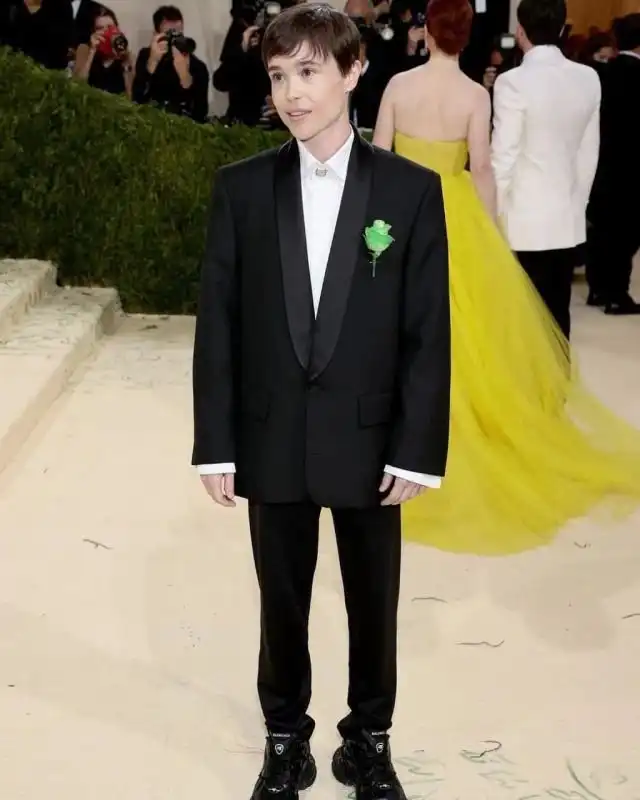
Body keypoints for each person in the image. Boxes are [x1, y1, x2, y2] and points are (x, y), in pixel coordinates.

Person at [191, 4, 451, 799]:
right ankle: (284, 738)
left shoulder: (410, 191)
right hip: (271, 434)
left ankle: (368, 740)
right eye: (278, 76)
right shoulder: (242, 189)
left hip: (371, 439)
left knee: (375, 602)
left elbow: (427, 329)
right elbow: (220, 322)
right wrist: (216, 442)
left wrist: (417, 448)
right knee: (281, 600)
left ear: (353, 71)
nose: (292, 94)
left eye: (308, 72)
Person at [373, 0, 640, 556]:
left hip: (404, 213)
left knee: (403, 326)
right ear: (467, 36)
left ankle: (399, 436)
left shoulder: (398, 85)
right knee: (466, 335)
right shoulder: (477, 95)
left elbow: (377, 160)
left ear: (426, 32)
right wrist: (489, 230)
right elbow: (483, 169)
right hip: (458, 217)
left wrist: (376, 224)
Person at [490, 0, 601, 341]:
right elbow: (589, 152)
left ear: (520, 31)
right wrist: (577, 204)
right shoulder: (588, 77)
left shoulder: (512, 82)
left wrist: (491, 214)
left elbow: (503, 156)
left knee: (522, 316)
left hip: (522, 218)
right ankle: (557, 374)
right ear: (563, 28)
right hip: (566, 215)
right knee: (557, 312)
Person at [586, 13, 640, 315]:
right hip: (632, 167)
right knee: (626, 233)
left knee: (603, 228)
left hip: (602, 162)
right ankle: (617, 293)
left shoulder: (602, 73)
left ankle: (597, 288)